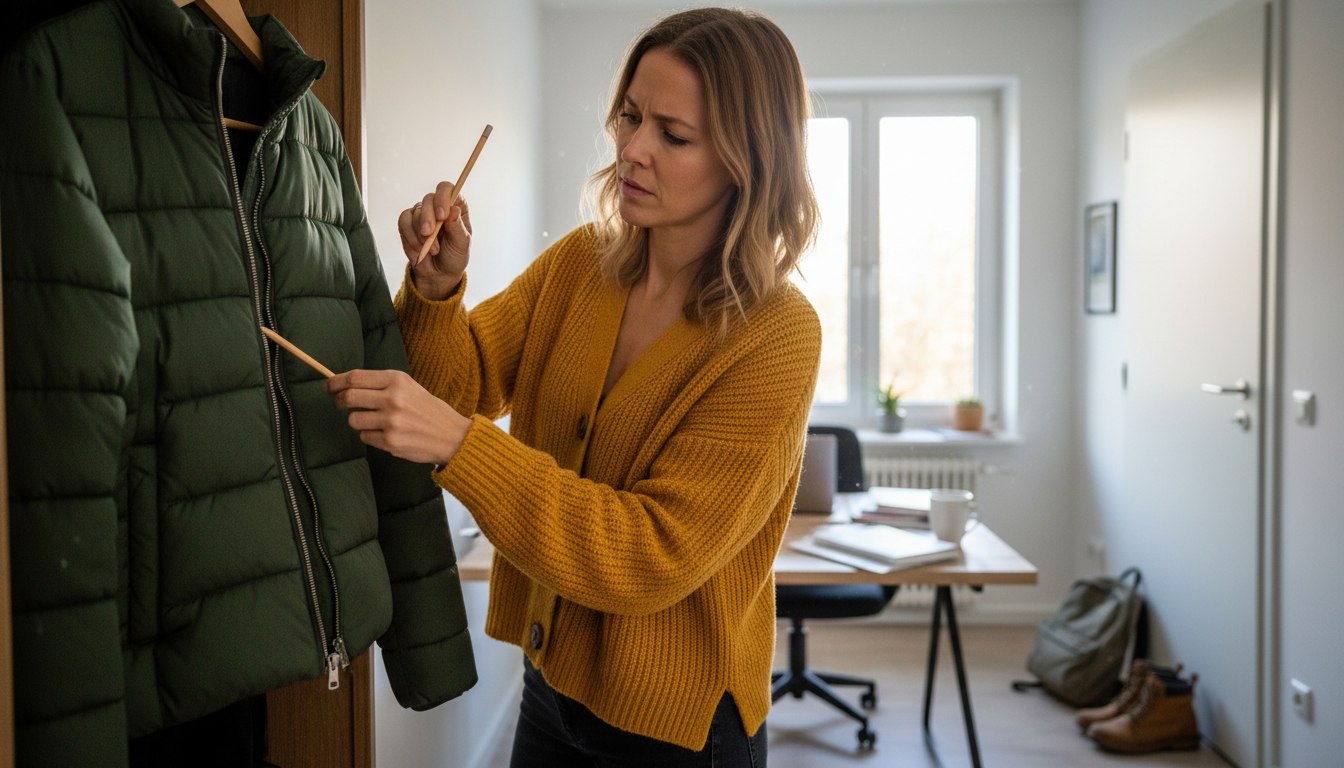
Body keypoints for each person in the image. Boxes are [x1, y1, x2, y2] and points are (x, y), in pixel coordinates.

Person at [326, 7, 820, 765]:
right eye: (629, 118)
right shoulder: (580, 265)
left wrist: (463, 446)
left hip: (677, 728)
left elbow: (651, 553)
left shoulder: (776, 334)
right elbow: (460, 382)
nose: (632, 152)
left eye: (673, 136)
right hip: (551, 682)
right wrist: (436, 287)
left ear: (748, 160)